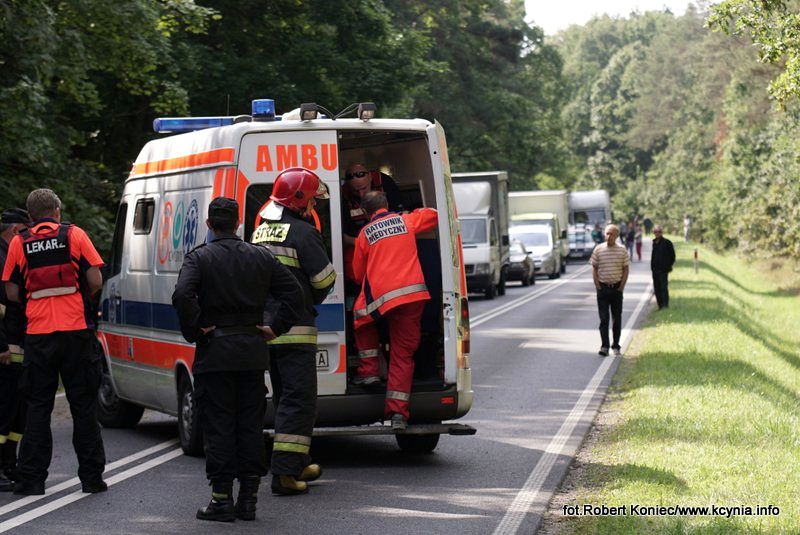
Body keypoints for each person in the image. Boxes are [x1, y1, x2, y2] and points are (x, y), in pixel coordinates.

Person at [172, 197, 303, 522]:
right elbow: (295, 295)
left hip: (215, 355)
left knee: (218, 428)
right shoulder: (261, 256)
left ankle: (221, 501)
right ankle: (248, 500)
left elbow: (181, 295)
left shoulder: (199, 258)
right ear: (238, 223)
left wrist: (197, 329)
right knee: (249, 427)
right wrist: (274, 327)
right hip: (252, 354)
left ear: (209, 224)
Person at [1, 189, 106, 496]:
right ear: (57, 211)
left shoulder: (20, 243)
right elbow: (96, 279)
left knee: (37, 408)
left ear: (30, 216)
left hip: (39, 335)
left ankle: (32, 480)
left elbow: (10, 290)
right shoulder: (75, 235)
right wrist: (78, 301)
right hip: (76, 334)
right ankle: (91, 479)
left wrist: (33, 301)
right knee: (84, 407)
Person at [251, 168, 336, 496]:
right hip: (296, 329)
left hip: (268, 330)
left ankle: (300, 462)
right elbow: (324, 281)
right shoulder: (302, 233)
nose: (315, 202)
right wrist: (308, 298)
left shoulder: (261, 231)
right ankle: (285, 475)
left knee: (285, 397)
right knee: (299, 402)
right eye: (312, 196)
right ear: (299, 199)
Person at [351, 191, 438, 430]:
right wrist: (408, 213)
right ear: (387, 205)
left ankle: (369, 371)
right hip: (412, 298)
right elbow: (433, 215)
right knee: (402, 355)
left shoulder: (364, 234)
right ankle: (397, 414)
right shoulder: (405, 221)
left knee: (361, 318)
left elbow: (358, 275)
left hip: (381, 298)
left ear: (365, 212)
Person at [0, 208, 31, 491]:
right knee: (5, 410)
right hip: (5, 347)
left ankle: (10, 464)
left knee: (17, 411)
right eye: (26, 232)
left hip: (17, 343)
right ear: (15, 231)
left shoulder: (10, 254)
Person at [341, 163, 401, 283]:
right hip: (357, 247)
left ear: (370, 178)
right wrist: (363, 243)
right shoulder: (342, 196)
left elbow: (402, 215)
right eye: (356, 190)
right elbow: (340, 235)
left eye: (364, 188)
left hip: (389, 244)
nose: (361, 194)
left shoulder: (385, 183)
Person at [590, 224, 630, 357]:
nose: (608, 236)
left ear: (617, 236)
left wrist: (622, 286)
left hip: (616, 288)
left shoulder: (622, 250)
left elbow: (625, 269)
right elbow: (594, 268)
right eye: (607, 233)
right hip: (603, 289)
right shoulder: (599, 249)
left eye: (611, 234)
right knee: (604, 319)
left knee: (616, 319)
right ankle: (604, 346)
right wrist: (597, 285)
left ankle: (616, 345)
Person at [651, 225, 676, 309]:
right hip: (655, 270)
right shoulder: (654, 243)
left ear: (661, 232)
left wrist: (668, 266)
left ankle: (665, 305)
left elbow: (672, 256)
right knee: (657, 288)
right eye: (655, 232)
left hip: (663, 269)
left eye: (658, 232)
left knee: (663, 287)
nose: (657, 233)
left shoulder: (667, 242)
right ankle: (660, 305)